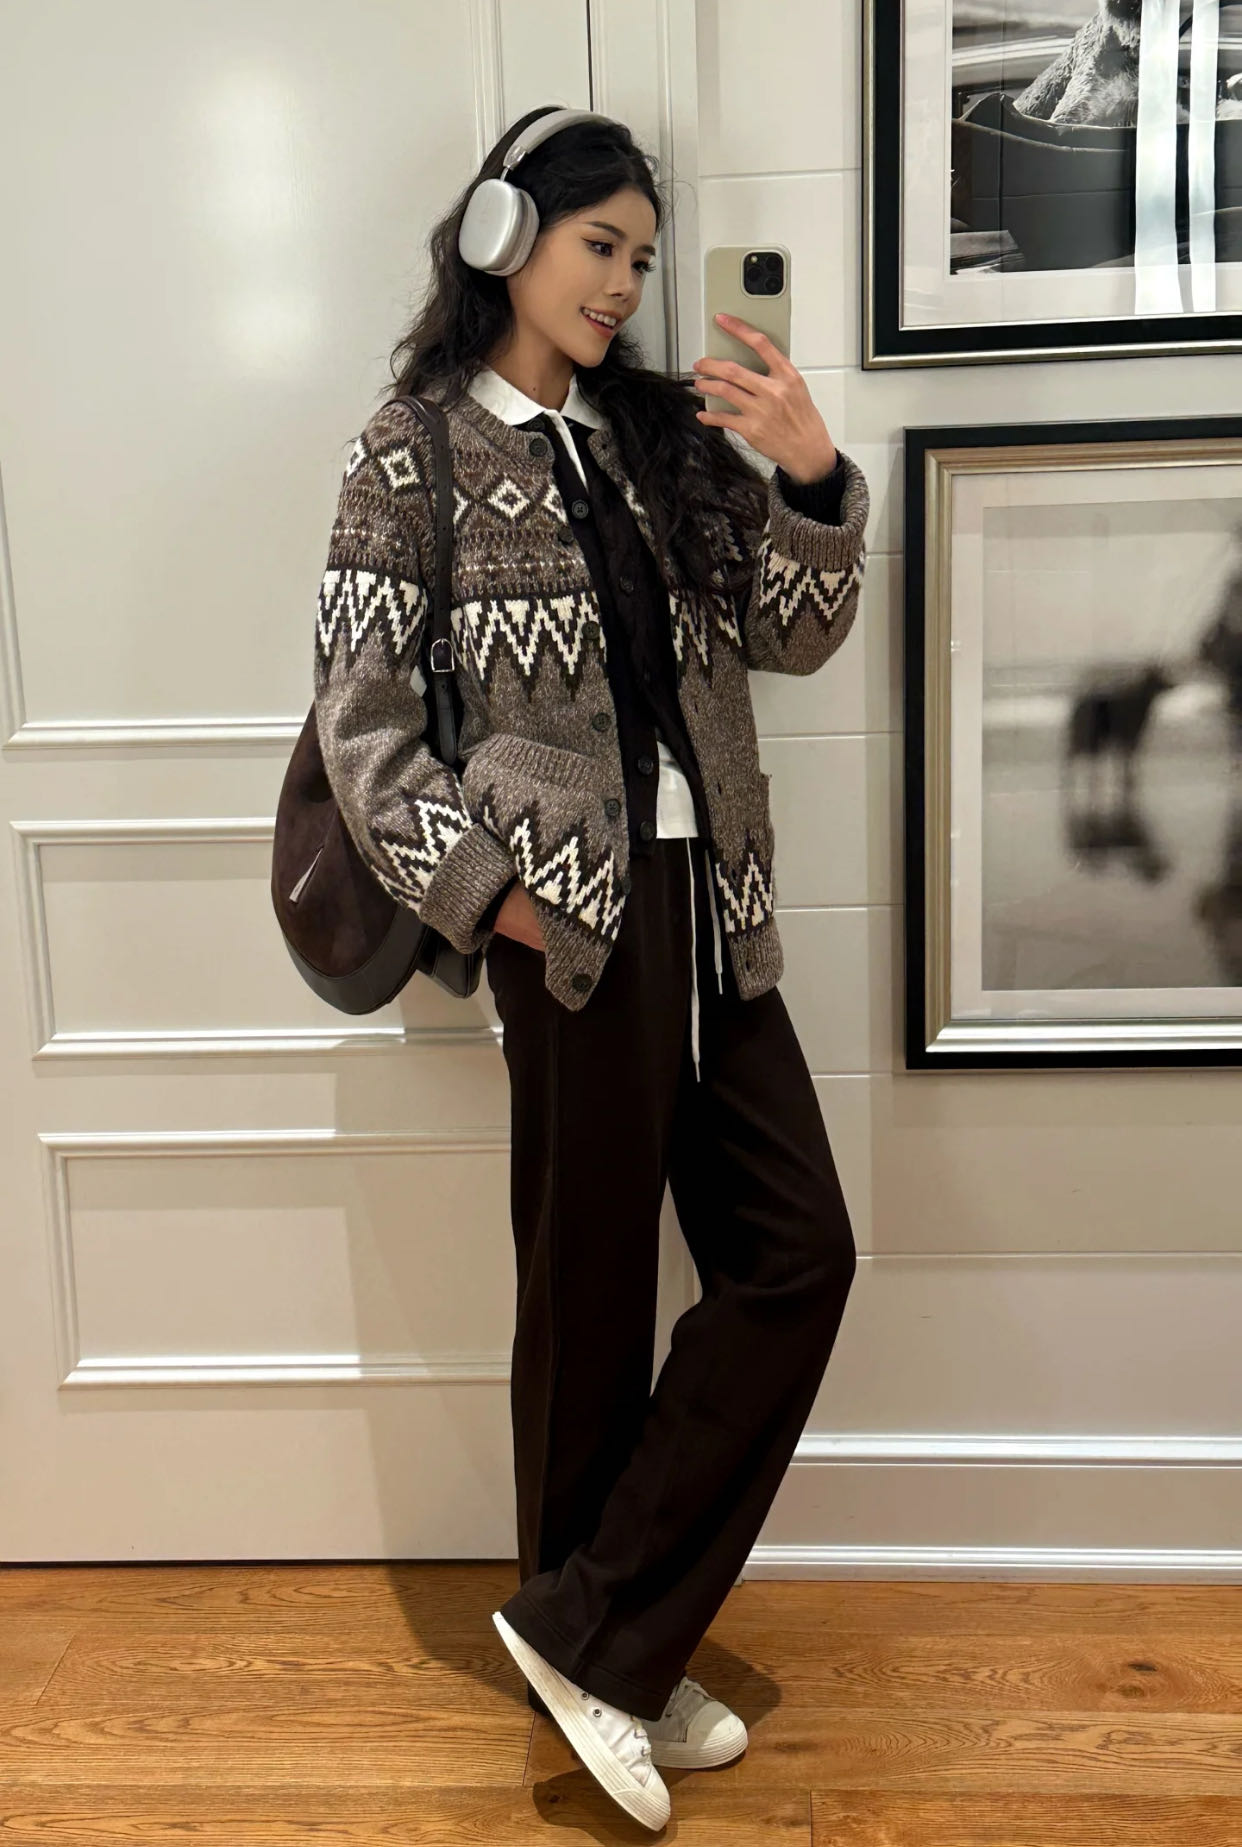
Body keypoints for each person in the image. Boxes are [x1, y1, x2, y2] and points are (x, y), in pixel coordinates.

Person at [313, 106, 867, 1832]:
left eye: (638, 255)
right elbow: (361, 729)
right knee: (590, 1302)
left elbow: (791, 631)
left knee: (796, 1255)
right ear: (505, 237)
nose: (621, 284)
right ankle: (604, 1650)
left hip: (717, 912)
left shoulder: (654, 438)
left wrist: (811, 477)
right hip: (570, 932)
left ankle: (595, 1631)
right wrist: (495, 899)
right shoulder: (409, 453)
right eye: (595, 246)